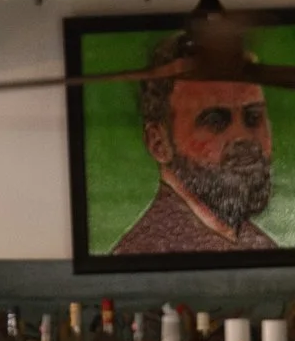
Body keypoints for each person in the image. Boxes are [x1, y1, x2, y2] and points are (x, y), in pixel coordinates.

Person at [109, 33, 281, 256]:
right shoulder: (140, 254)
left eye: (253, 117)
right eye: (215, 122)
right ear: (158, 143)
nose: (242, 137)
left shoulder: (260, 246)